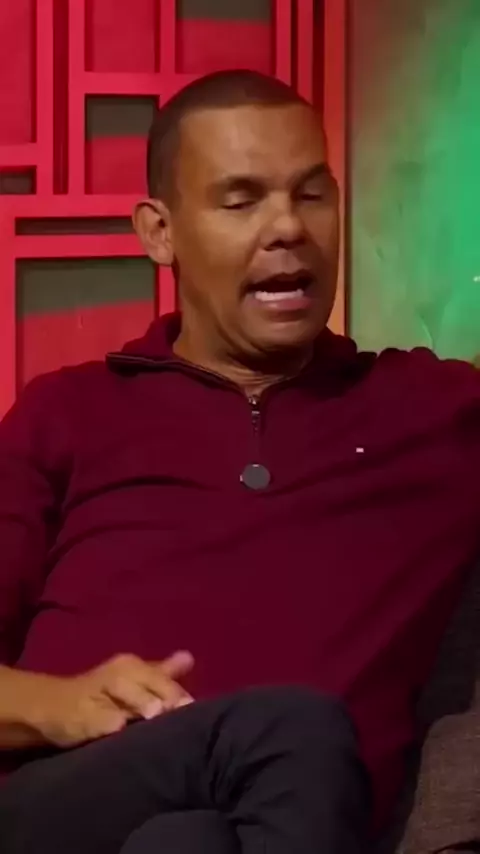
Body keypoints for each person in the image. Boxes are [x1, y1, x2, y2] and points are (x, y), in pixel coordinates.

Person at [0, 68, 478, 853]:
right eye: (241, 200)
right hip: (66, 805)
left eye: (311, 194)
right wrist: (63, 703)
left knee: (189, 841)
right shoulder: (69, 413)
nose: (288, 226)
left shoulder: (434, 413)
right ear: (159, 232)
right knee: (291, 734)